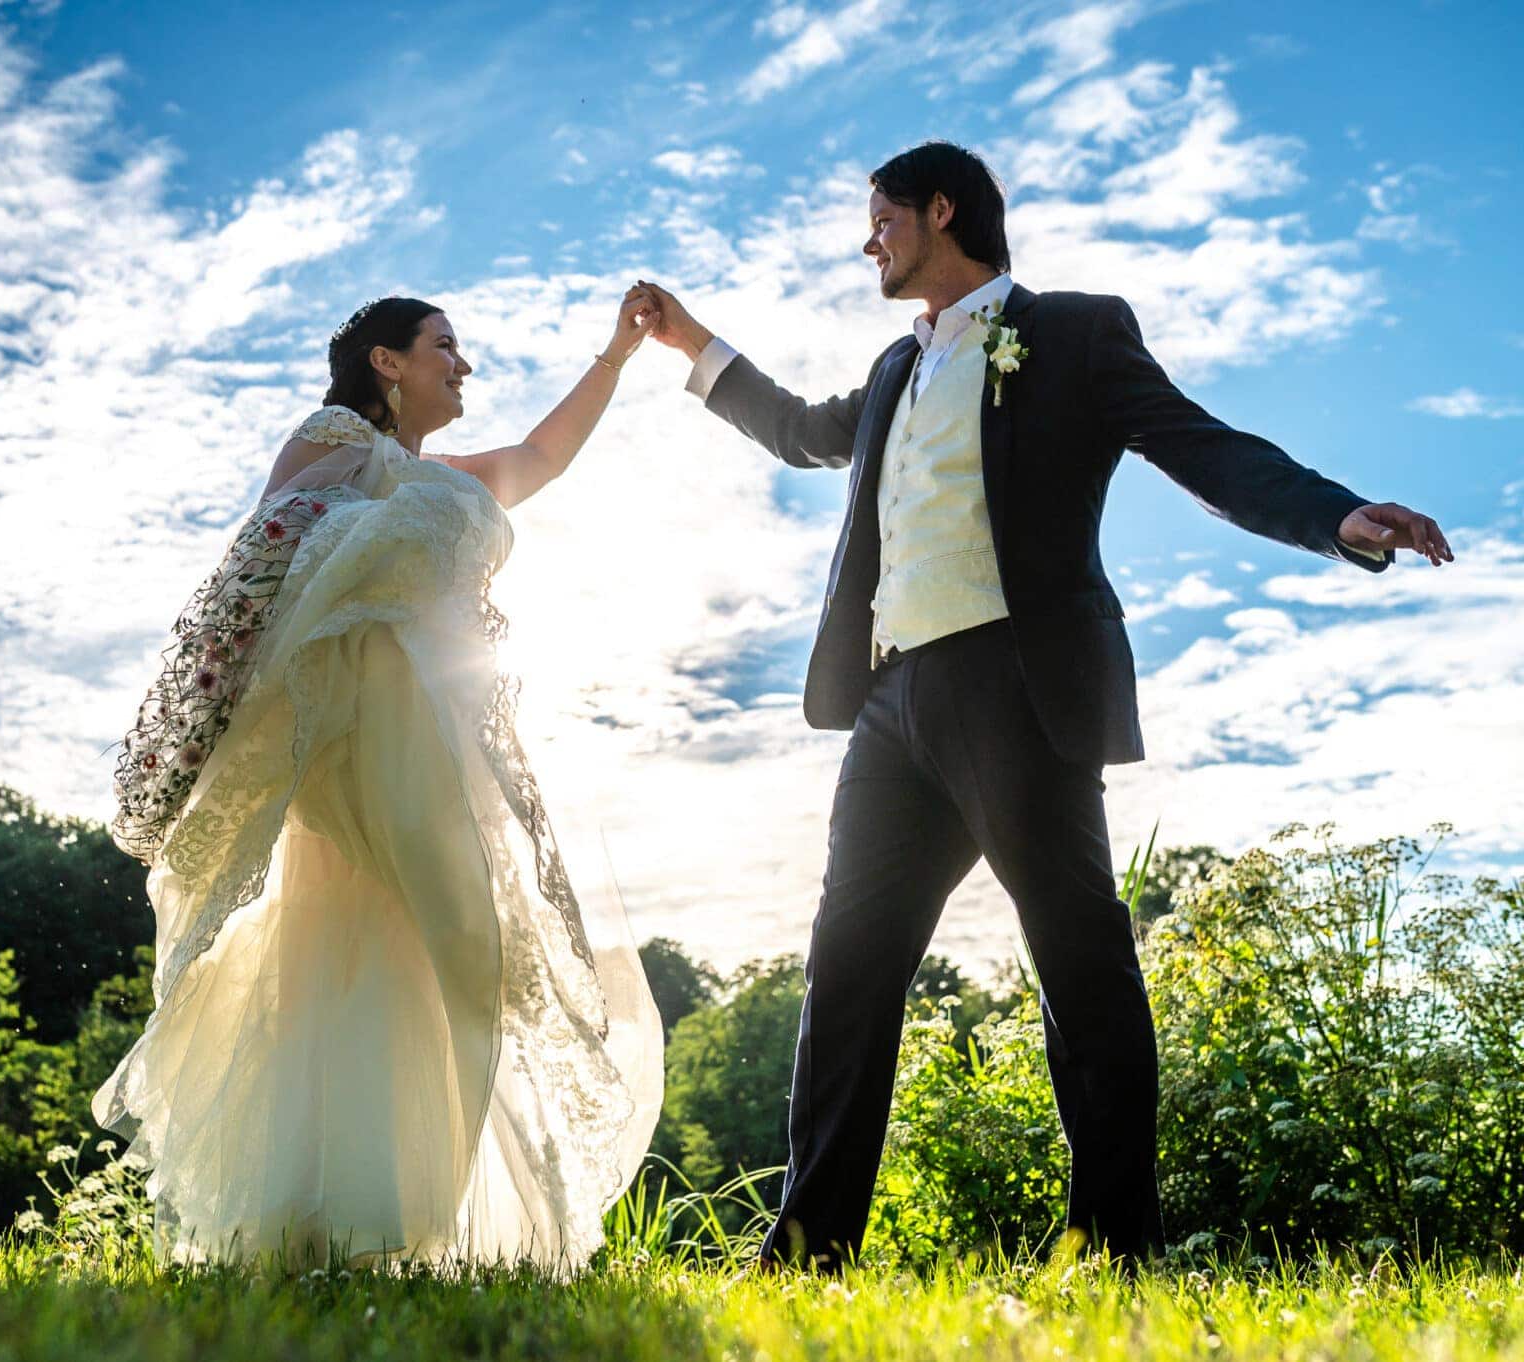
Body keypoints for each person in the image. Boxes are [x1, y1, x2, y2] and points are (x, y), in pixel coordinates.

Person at [638, 140, 1452, 1270]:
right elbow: (796, 432)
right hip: (889, 702)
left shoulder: (1071, 331)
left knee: (1077, 968)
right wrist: (688, 341)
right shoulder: (889, 372)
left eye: (878, 221)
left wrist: (1335, 515)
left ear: (939, 210)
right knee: (844, 971)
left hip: (1015, 687)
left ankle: (1115, 1249)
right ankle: (809, 1251)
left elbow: (1196, 445)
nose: (863, 242)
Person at [94, 289, 665, 1272]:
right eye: (444, 346)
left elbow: (538, 460)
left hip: (434, 743)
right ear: (385, 363)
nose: (463, 364)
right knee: (450, 935)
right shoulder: (332, 440)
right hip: (357, 736)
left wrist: (617, 353)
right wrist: (193, 743)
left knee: (398, 950)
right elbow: (257, 571)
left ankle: (356, 1222)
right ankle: (349, 1221)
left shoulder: (431, 474)